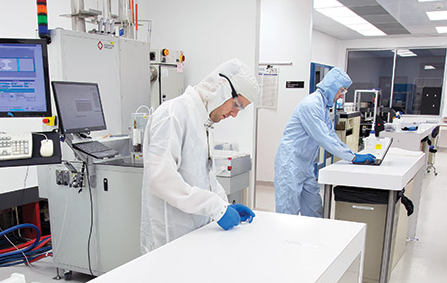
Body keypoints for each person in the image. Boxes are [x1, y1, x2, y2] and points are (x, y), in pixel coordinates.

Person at [140, 59, 260, 253]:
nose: (234, 114)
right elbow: (160, 179)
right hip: (171, 238)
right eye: (236, 105)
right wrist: (215, 208)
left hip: (196, 233)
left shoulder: (203, 120)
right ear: (222, 88)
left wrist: (224, 204)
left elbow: (206, 177)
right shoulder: (174, 114)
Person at [274, 68, 376, 217]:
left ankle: (312, 240)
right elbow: (324, 138)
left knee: (314, 209)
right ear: (331, 87)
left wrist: (351, 154)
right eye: (341, 91)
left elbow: (331, 135)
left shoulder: (322, 106)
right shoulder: (311, 105)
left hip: (305, 165)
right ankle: (286, 241)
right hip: (290, 163)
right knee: (288, 213)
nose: (341, 97)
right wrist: (352, 157)